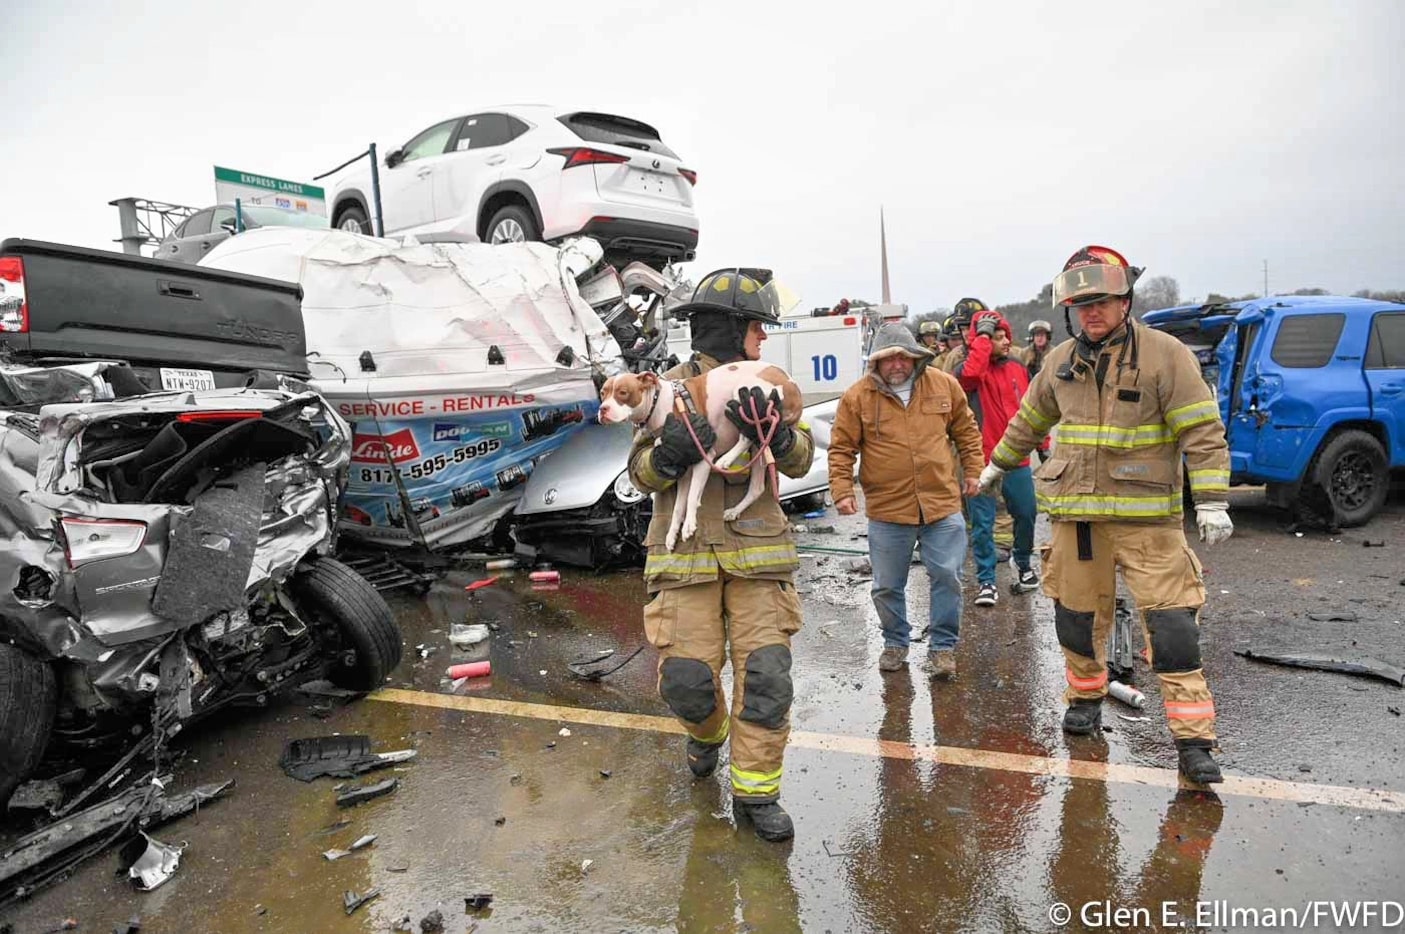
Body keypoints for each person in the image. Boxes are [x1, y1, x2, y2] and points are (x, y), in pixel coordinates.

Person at [977, 245, 1233, 784]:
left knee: (1172, 629)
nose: (1092, 312)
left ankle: (1193, 741)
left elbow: (1202, 432)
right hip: (1077, 519)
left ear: (1125, 300)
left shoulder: (1166, 355)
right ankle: (1085, 701)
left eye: (1103, 301)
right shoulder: (1061, 360)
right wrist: (997, 464)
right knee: (1075, 620)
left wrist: (1211, 499)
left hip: (1149, 523)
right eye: (1082, 304)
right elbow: (1029, 419)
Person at [627, 267, 815, 841]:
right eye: (757, 327)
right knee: (686, 682)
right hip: (684, 563)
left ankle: (757, 795)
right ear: (732, 328)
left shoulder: (764, 380)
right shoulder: (667, 389)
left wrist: (780, 438)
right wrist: (671, 454)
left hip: (759, 560)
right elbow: (637, 474)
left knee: (766, 678)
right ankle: (705, 736)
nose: (764, 338)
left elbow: (803, 457)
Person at [828, 323, 984, 679]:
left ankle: (943, 648)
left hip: (941, 504)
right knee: (886, 585)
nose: (897, 363)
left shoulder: (944, 385)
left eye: (903, 356)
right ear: (876, 362)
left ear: (915, 356)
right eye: (888, 358)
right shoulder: (857, 397)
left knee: (947, 575)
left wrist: (974, 471)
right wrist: (841, 490)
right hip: (888, 510)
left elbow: (966, 432)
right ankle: (895, 641)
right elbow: (841, 449)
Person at [954, 308, 1039, 607]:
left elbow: (1032, 409)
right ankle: (986, 581)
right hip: (981, 461)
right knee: (982, 524)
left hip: (1016, 457)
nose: (1005, 342)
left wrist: (1043, 445)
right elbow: (970, 376)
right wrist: (982, 338)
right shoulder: (968, 370)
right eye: (997, 337)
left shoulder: (1017, 366)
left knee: (1027, 513)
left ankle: (1024, 563)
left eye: (1005, 336)